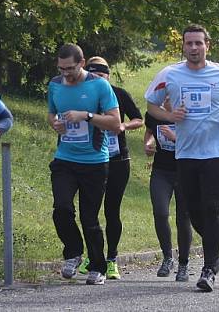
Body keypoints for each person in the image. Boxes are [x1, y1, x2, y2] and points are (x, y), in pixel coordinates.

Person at [145, 24, 219, 292]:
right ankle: (214, 247)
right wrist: (169, 116)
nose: (193, 48)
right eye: (189, 44)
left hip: (214, 153)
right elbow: (151, 105)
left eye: (198, 43)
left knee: (211, 207)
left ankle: (209, 268)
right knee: (193, 212)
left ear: (207, 46)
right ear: (183, 47)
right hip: (185, 154)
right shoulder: (170, 74)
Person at [47, 43, 121, 285]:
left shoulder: (99, 85)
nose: (65, 73)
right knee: (62, 208)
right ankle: (73, 253)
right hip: (65, 159)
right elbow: (51, 114)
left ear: (81, 63)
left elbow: (115, 123)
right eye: (61, 68)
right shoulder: (55, 85)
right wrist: (55, 124)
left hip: (94, 161)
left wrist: (86, 116)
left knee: (90, 219)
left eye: (70, 68)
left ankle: (98, 267)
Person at [75, 57, 143, 280]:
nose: (98, 80)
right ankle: (93, 257)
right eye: (94, 76)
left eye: (102, 76)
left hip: (117, 160)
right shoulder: (82, 93)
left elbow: (139, 119)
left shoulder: (119, 94)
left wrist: (122, 125)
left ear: (108, 76)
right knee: (89, 212)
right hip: (91, 160)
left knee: (111, 210)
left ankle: (112, 259)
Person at [144, 109, 192, 281]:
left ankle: (183, 264)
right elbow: (150, 132)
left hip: (185, 171)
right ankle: (167, 257)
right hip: (161, 171)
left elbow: (197, 141)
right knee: (160, 212)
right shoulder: (154, 114)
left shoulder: (187, 113)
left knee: (183, 217)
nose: (166, 99)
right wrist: (148, 144)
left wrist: (174, 137)